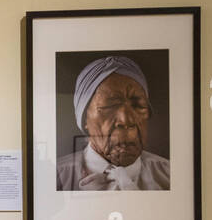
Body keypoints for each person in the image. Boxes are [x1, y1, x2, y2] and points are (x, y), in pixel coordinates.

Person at [56, 55, 170, 191]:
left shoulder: (171, 175)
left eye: (138, 105)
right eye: (110, 106)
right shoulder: (55, 178)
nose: (126, 120)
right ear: (84, 118)